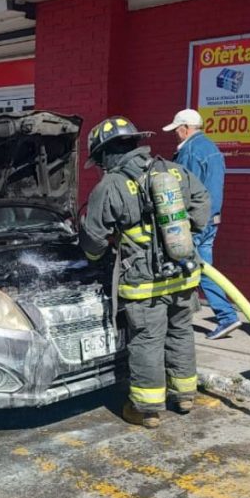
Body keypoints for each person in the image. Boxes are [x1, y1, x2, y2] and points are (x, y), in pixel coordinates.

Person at [80, 116, 210, 428]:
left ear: (108, 153)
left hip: (145, 283)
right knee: (180, 330)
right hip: (183, 272)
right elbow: (203, 206)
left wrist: (94, 254)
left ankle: (147, 409)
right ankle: (185, 395)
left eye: (99, 160)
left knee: (147, 340)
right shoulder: (173, 170)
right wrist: (179, 237)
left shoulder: (111, 184)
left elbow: (94, 239)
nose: (100, 166)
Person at [163, 108, 239, 340]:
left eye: (177, 130)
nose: (176, 134)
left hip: (194, 222)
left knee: (181, 266)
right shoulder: (212, 149)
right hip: (211, 220)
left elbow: (185, 190)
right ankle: (226, 316)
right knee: (205, 269)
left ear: (186, 128)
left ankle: (175, 318)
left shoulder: (190, 151)